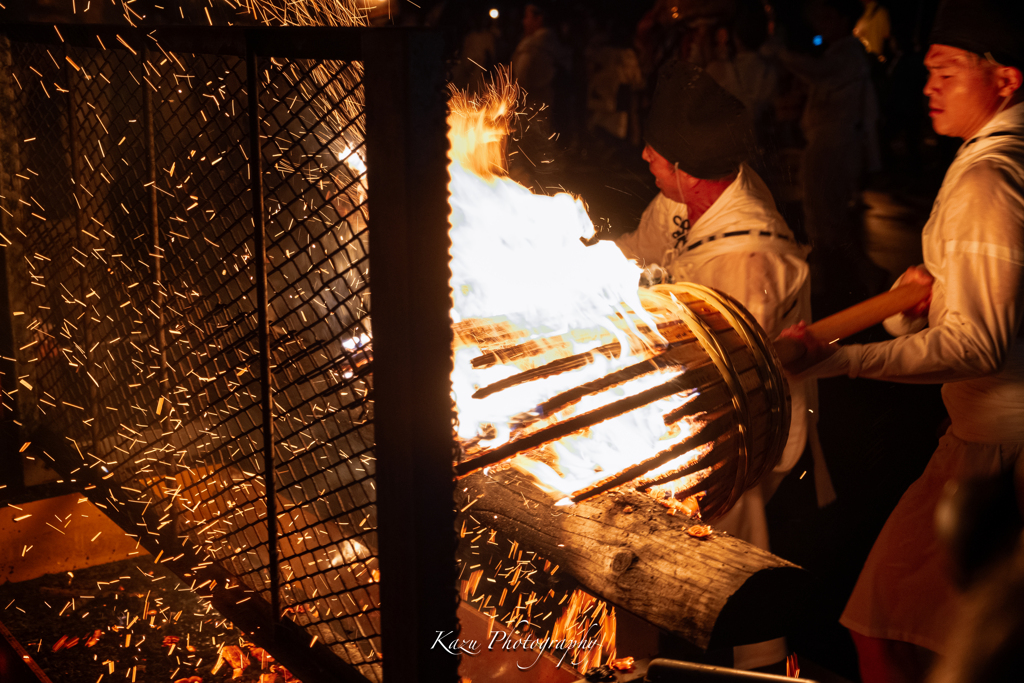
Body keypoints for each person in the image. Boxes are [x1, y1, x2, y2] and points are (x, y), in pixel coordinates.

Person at [780, 1, 1024, 680]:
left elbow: (979, 345)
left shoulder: (987, 179)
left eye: (947, 71)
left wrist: (838, 359)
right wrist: (912, 308)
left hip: (999, 458)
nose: (927, 87)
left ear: (1005, 81)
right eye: (927, 72)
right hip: (981, 443)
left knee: (891, 628)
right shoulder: (997, 163)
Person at [615, 59, 836, 671]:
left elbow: (728, 375)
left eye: (656, 153)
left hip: (743, 425)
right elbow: (639, 255)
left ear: (689, 170)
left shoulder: (750, 256)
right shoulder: (683, 202)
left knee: (733, 538)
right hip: (688, 401)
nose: (645, 158)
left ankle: (760, 660)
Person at [777, 0, 882, 298]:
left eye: (827, 17)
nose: (821, 24)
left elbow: (821, 73)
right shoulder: (841, 51)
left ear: (841, 18)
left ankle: (852, 275)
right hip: (828, 142)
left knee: (825, 214)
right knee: (823, 215)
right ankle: (840, 275)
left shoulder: (848, 52)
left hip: (832, 143)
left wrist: (782, 56)